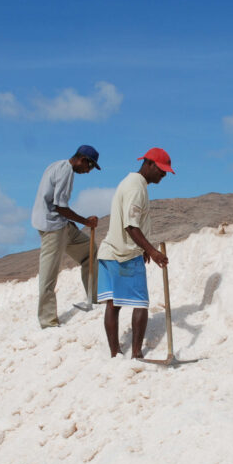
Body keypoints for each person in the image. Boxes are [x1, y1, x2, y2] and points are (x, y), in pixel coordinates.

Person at [96, 148, 174, 358]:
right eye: (161, 170)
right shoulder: (136, 188)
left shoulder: (130, 183)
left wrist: (144, 249)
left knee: (113, 304)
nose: (164, 174)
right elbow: (131, 226)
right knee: (140, 303)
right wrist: (152, 251)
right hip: (125, 256)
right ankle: (137, 354)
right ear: (149, 164)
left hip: (109, 252)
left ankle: (115, 354)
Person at [31, 144, 101, 329]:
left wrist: (73, 223)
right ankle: (48, 322)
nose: (88, 171)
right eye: (90, 166)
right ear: (83, 160)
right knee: (49, 276)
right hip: (52, 228)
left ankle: (93, 298)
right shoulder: (67, 171)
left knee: (90, 250)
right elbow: (59, 206)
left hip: (62, 225)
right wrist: (85, 221)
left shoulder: (57, 165)